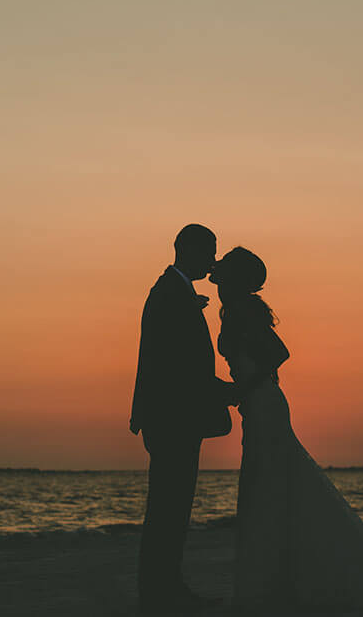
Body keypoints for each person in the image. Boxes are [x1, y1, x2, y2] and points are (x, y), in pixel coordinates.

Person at [210, 247, 363, 611]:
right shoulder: (233, 310)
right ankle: (279, 575)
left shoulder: (241, 310)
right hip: (258, 404)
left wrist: (241, 388)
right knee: (269, 486)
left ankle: (279, 580)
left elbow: (279, 353)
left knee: (269, 483)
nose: (216, 284)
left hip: (263, 403)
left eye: (221, 278)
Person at [130, 224, 238, 613]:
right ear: (188, 250)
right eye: (209, 252)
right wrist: (229, 392)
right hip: (172, 420)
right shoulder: (169, 295)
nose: (212, 261)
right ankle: (161, 594)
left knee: (171, 509)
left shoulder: (173, 292)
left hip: (173, 419)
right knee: (168, 511)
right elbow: (179, 367)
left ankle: (165, 589)